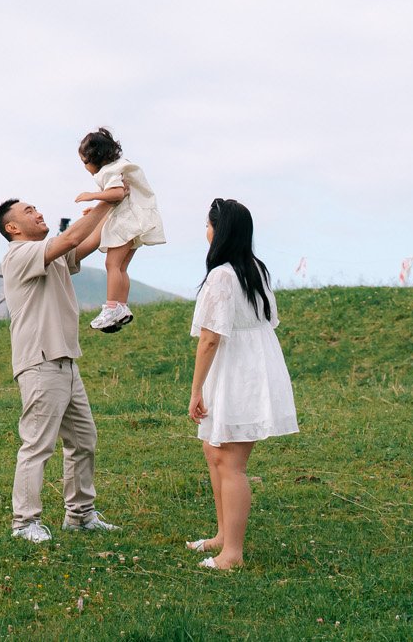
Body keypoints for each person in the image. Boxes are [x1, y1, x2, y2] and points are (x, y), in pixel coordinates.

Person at [0, 193, 123, 543]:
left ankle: (80, 515)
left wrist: (118, 215)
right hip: (40, 362)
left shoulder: (51, 255)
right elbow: (70, 238)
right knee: (37, 444)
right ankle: (24, 523)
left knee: (83, 440)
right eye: (28, 211)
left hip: (65, 360)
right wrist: (107, 202)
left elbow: (85, 242)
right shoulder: (19, 255)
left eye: (36, 207)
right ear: (12, 227)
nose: (37, 212)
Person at [186, 197, 297, 570]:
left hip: (237, 371)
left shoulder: (224, 275)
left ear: (219, 231)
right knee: (213, 452)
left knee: (231, 462)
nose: (206, 231)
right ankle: (221, 535)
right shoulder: (254, 270)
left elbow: (210, 338)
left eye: (208, 224)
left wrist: (195, 389)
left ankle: (232, 553)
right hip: (243, 367)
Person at [72, 127, 166, 333]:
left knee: (112, 264)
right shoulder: (119, 167)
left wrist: (92, 196)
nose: (85, 167)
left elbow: (116, 194)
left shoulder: (108, 172)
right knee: (122, 267)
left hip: (125, 224)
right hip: (136, 221)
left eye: (84, 162)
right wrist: (95, 208)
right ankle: (121, 307)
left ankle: (112, 307)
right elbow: (119, 198)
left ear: (94, 159)